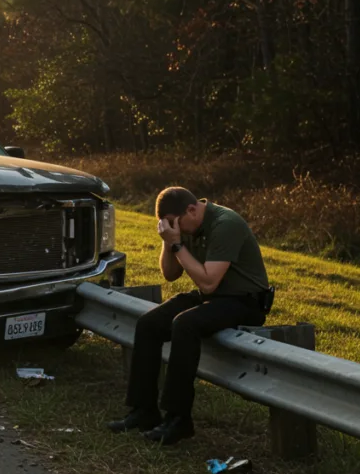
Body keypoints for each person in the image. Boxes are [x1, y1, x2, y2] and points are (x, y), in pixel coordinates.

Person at [107, 187, 273, 445]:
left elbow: (208, 282)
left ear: (192, 210)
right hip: (214, 297)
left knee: (184, 324)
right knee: (149, 323)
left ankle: (178, 419)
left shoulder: (225, 224)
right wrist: (168, 241)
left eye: (176, 224)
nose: (177, 230)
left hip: (246, 301)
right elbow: (170, 274)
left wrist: (177, 244)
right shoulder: (186, 225)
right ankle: (144, 411)